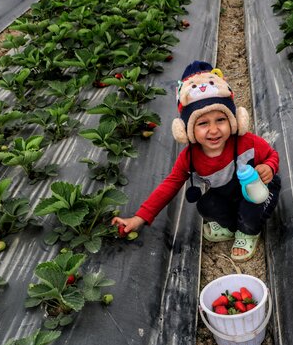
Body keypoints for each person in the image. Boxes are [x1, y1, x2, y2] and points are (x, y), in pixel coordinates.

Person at [112, 61, 281, 262]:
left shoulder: (248, 142)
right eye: (202, 123)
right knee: (205, 204)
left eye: (220, 120)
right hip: (228, 195)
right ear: (186, 131)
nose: (213, 130)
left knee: (253, 202)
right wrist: (139, 218)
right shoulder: (190, 157)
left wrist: (268, 167)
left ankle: (248, 232)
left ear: (234, 120)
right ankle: (231, 226)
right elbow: (169, 186)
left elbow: (272, 155)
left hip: (257, 191)